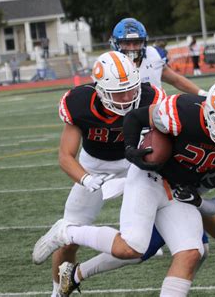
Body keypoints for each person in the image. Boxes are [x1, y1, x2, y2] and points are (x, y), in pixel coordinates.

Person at [33, 80, 215, 296]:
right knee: (132, 247)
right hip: (150, 177)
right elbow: (135, 117)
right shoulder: (182, 110)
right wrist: (130, 149)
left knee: (191, 253)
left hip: (179, 190)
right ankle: (66, 231)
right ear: (211, 116)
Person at [32, 51, 166, 297]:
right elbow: (65, 156)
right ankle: (58, 291)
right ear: (100, 90)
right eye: (118, 93)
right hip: (93, 165)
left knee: (146, 237)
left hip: (134, 164)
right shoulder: (81, 103)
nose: (127, 98)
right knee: (69, 239)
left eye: (131, 89)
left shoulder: (149, 96)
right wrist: (86, 178)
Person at [110, 18, 207, 96]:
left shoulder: (154, 55)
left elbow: (176, 80)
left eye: (136, 43)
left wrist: (202, 94)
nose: (131, 48)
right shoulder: (109, 65)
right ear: (116, 44)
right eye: (126, 43)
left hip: (155, 113)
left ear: (144, 43)